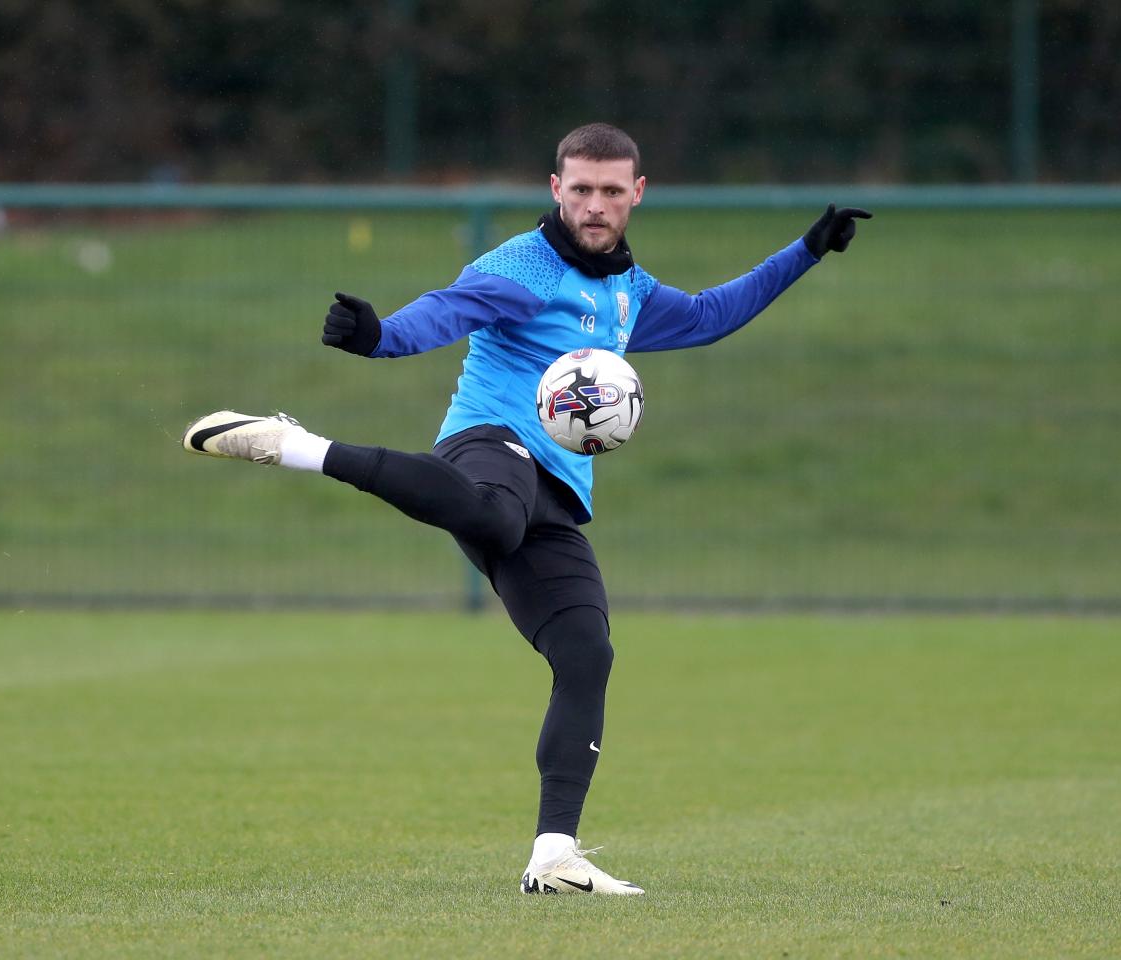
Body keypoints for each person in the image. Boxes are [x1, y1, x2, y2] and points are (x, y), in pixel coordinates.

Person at [182, 122, 870, 896]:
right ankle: (298, 446)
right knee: (494, 516)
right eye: (581, 189)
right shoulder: (524, 264)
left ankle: (553, 854)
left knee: (587, 652)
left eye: (612, 191)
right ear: (556, 189)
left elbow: (711, 316)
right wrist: (378, 337)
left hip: (558, 492)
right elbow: (447, 310)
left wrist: (805, 251)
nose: (596, 204)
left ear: (636, 194)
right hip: (487, 446)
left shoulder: (628, 293)